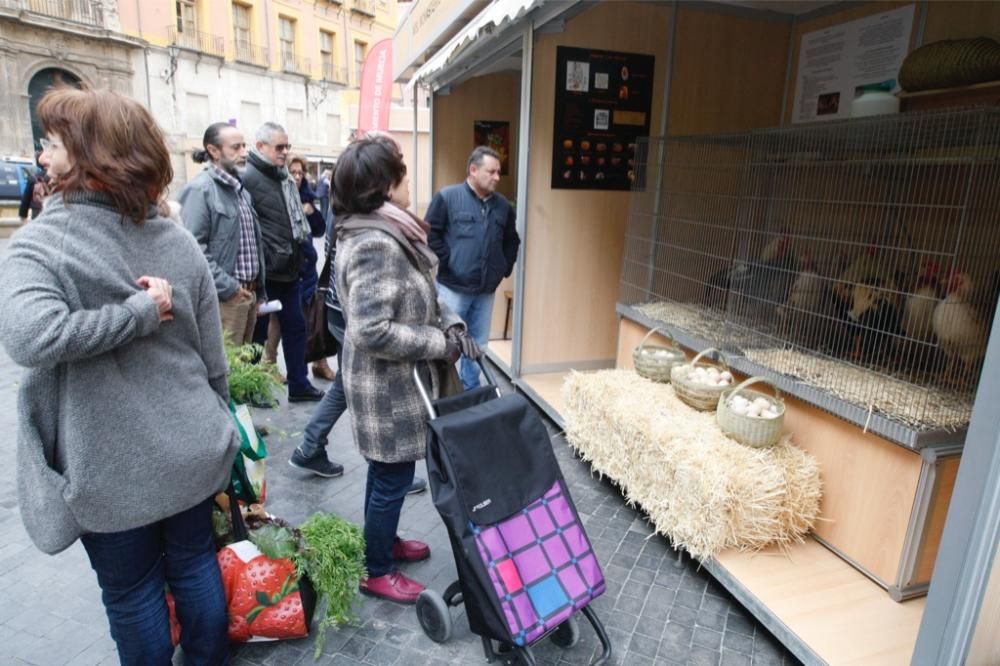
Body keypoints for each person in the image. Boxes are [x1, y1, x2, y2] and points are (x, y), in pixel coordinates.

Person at [0, 88, 237, 664]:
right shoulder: (173, 239)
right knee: (194, 563)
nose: (42, 153)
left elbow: (28, 339)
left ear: (89, 156)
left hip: (110, 471)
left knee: (133, 593)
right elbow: (214, 362)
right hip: (190, 451)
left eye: (53, 142)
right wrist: (222, 432)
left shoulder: (40, 245)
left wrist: (135, 316)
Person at [334, 136, 480, 603]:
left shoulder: (389, 231)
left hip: (398, 384)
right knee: (390, 478)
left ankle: (385, 542)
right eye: (402, 175)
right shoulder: (374, 242)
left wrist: (452, 323)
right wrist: (439, 343)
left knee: (388, 477)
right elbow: (370, 330)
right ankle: (376, 568)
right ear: (384, 186)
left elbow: (422, 293)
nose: (409, 182)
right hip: (387, 389)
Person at [242, 121, 324, 402]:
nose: (285, 151)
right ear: (261, 146)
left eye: (287, 146)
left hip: (289, 269)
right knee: (258, 334)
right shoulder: (249, 178)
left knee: (295, 326)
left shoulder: (283, 177)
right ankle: (253, 390)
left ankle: (299, 385)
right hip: (264, 274)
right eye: (280, 147)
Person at [426, 145, 520, 390]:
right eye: (491, 172)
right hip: (452, 290)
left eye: (499, 172)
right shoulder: (447, 197)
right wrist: (448, 261)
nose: (497, 177)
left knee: (478, 346)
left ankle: (470, 393)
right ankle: (444, 395)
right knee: (446, 345)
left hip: (485, 292)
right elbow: (430, 235)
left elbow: (512, 241)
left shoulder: (502, 207)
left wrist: (504, 268)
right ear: (473, 170)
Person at [179, 122, 266, 346]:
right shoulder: (201, 190)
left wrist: (258, 293)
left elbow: (252, 246)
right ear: (213, 151)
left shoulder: (241, 191)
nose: (244, 153)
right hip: (224, 300)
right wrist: (230, 289)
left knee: (242, 371)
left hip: (247, 297)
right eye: (235, 147)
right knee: (225, 373)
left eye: (244, 146)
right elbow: (192, 250)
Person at [18, 150, 50, 223]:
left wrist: (23, 216)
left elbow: (25, 199)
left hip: (37, 212)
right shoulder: (56, 177)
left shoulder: (33, 178)